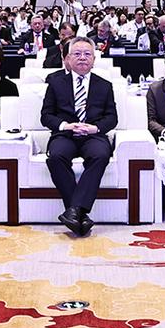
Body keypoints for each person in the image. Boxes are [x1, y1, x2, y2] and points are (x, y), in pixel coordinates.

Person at [40, 37, 118, 237]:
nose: (82, 58)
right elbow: (46, 116)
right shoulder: (56, 83)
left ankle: (74, 211)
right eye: (77, 54)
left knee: (100, 155)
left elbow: (112, 118)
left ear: (94, 59)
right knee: (56, 157)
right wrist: (66, 125)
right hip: (65, 134)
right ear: (68, 58)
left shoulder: (104, 85)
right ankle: (79, 213)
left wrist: (95, 128)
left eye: (87, 54)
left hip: (93, 135)